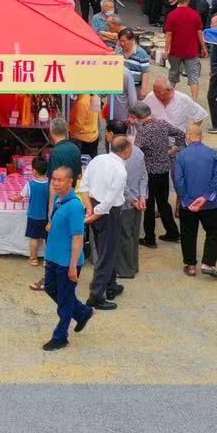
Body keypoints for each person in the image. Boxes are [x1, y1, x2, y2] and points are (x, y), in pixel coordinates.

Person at [40, 165, 94, 351]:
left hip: (66, 261)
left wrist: (73, 266)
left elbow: (78, 238)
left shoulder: (75, 206)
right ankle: (82, 312)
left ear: (70, 182)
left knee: (64, 300)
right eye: (54, 179)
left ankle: (60, 337)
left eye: (60, 180)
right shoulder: (59, 200)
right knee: (50, 288)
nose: (55, 183)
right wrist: (51, 225)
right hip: (53, 257)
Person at [79, 134, 130, 308]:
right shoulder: (120, 171)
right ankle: (96, 295)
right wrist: (94, 214)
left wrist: (89, 208)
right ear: (126, 150)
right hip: (108, 213)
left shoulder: (97, 159)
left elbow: (84, 184)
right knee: (107, 253)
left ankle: (110, 284)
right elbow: (109, 200)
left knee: (105, 248)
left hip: (95, 205)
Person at [174, 120, 217, 278]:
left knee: (188, 234)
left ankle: (190, 266)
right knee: (214, 232)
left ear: (187, 137)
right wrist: (206, 196)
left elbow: (178, 181)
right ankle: (208, 263)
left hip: (188, 204)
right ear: (201, 137)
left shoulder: (181, 156)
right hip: (210, 203)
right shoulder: (213, 154)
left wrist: (187, 199)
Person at [129, 101, 180, 246]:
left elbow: (136, 151)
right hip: (164, 169)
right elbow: (180, 134)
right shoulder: (162, 123)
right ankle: (173, 232)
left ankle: (149, 238)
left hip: (150, 172)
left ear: (137, 115)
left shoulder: (144, 132)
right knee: (163, 203)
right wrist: (174, 148)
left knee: (149, 205)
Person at [114, 120, 147, 282]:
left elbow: (122, 184)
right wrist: (142, 196)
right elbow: (144, 176)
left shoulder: (118, 159)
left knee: (125, 237)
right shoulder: (139, 152)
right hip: (137, 201)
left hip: (126, 203)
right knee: (133, 235)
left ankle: (126, 270)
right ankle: (133, 265)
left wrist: (134, 200)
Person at [163, 0, 205, 94]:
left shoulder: (172, 15)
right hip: (191, 51)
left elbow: (168, 34)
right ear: (188, 0)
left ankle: (169, 97)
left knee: (173, 75)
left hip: (175, 51)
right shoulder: (195, 14)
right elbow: (199, 32)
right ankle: (194, 100)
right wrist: (203, 47)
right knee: (193, 77)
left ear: (178, 0)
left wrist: (166, 50)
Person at [25, 153, 53, 279]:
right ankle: (47, 260)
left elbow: (21, 195)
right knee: (46, 239)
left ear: (34, 171)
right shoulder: (50, 185)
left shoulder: (30, 185)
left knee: (34, 238)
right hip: (45, 217)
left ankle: (34, 258)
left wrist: (14, 198)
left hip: (33, 216)